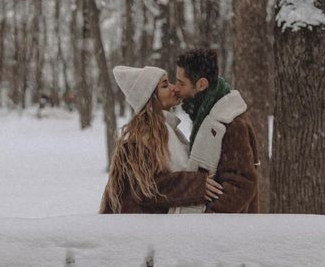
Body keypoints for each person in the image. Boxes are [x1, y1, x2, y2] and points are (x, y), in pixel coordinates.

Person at [99, 65, 223, 213]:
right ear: (150, 99)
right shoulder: (139, 138)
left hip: (154, 228)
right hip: (138, 230)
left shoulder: (167, 130)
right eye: (165, 85)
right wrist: (195, 184)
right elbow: (147, 188)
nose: (174, 88)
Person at [174, 49, 259, 213]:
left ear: (201, 84)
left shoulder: (232, 124)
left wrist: (209, 217)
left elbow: (242, 184)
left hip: (225, 232)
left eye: (181, 83)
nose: (176, 88)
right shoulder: (206, 114)